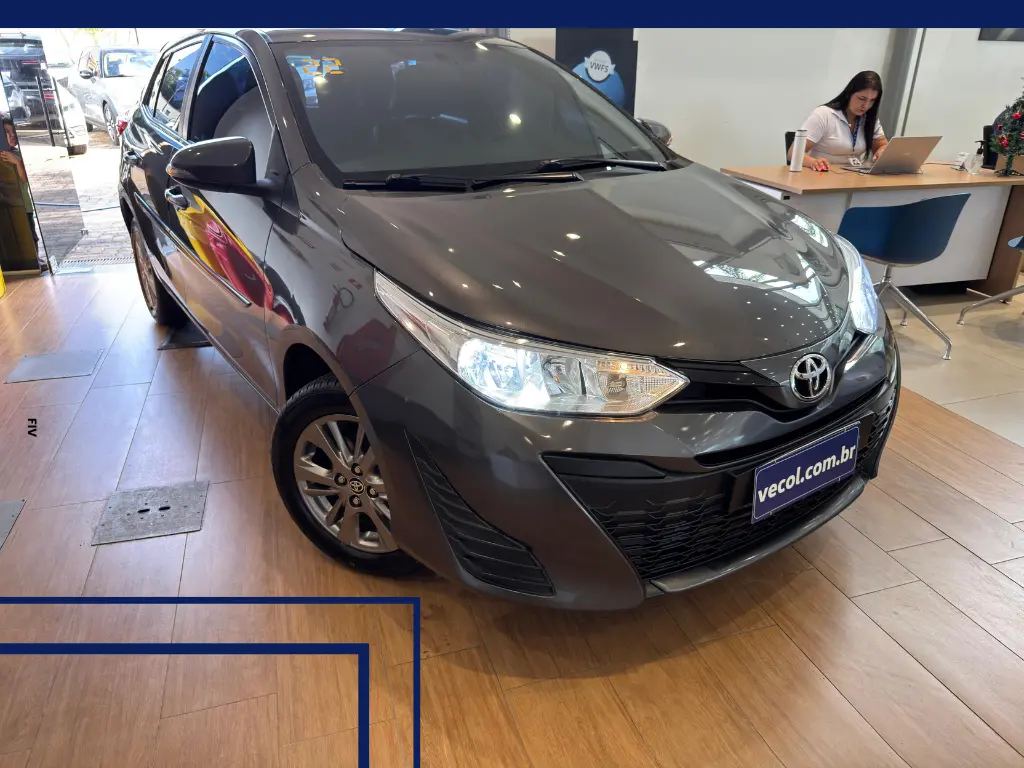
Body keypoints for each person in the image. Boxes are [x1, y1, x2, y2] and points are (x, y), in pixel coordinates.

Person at [789, 71, 889, 172]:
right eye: (862, 99)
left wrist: (883, 150)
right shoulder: (824, 114)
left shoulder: (869, 118)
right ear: (850, 93)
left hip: (853, 176)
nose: (866, 106)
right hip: (821, 174)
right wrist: (812, 162)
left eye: (872, 101)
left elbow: (882, 146)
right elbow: (793, 153)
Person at [1, 117, 45, 271]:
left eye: (14, 132)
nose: (12, 135)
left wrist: (17, 162)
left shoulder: (18, 154)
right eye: (7, 132)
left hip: (24, 205)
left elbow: (25, 178)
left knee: (31, 235)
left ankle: (35, 258)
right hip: (7, 206)